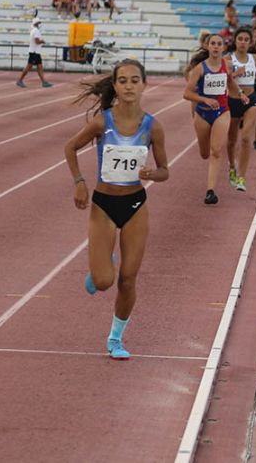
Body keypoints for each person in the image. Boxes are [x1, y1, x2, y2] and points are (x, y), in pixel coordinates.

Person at [64, 60, 169, 360]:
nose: (129, 86)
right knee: (103, 282)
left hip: (135, 205)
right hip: (104, 205)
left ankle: (115, 338)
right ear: (115, 86)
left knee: (127, 279)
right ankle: (101, 265)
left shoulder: (153, 127)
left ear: (144, 84)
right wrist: (79, 182)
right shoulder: (102, 122)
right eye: (122, 81)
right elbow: (70, 147)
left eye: (135, 80)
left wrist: (153, 174)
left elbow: (165, 171)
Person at [183, 33, 247, 205]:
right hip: (203, 113)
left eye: (219, 44)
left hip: (222, 111)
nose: (216, 46)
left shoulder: (227, 65)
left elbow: (231, 82)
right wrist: (204, 100)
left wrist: (240, 94)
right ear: (208, 47)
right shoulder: (200, 69)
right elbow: (187, 93)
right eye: (213, 43)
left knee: (216, 151)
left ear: (223, 47)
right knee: (205, 154)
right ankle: (204, 149)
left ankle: (210, 191)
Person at [226, 28, 256, 192]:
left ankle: (242, 177)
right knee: (232, 140)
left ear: (250, 42)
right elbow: (223, 79)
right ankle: (232, 166)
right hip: (233, 101)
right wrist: (235, 73)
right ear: (235, 41)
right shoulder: (228, 58)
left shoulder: (253, 58)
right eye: (239, 39)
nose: (242, 42)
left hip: (251, 100)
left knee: (246, 138)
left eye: (245, 39)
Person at [16, 18, 53, 88]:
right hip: (34, 52)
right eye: (38, 23)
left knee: (40, 67)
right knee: (29, 67)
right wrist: (42, 41)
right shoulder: (36, 31)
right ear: (36, 24)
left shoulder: (34, 30)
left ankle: (44, 82)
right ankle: (20, 80)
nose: (39, 24)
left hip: (36, 52)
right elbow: (37, 41)